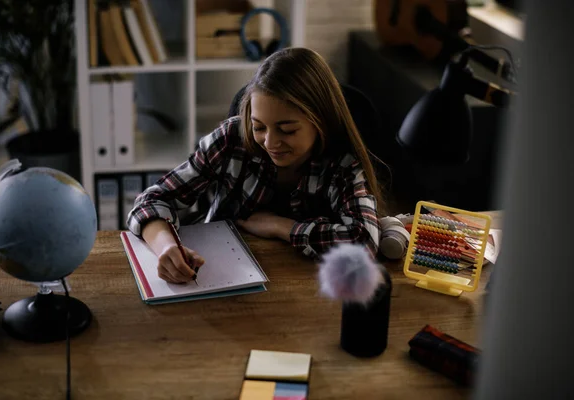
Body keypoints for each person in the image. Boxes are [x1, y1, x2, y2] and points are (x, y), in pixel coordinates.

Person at [126, 47, 387, 284]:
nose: (270, 142)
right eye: (259, 126)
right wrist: (166, 246)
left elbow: (364, 243)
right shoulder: (231, 138)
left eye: (287, 130)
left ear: (321, 121)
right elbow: (151, 200)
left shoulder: (342, 163)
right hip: (220, 278)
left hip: (308, 287)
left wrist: (280, 226)